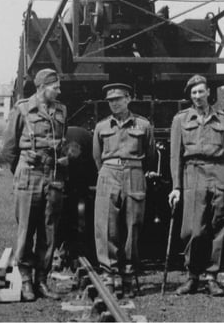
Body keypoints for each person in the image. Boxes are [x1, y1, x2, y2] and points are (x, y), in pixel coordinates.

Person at [168, 74, 224, 297]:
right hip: (193, 174)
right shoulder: (180, 120)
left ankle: (212, 277)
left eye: (201, 91)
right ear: (190, 96)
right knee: (193, 229)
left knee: (220, 226)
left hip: (220, 174)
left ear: (209, 92)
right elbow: (175, 157)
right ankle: (192, 276)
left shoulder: (223, 120)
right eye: (193, 93)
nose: (197, 96)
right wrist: (176, 187)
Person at [1, 68, 67, 302]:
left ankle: (42, 280)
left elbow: (62, 141)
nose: (59, 90)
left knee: (48, 231)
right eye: (55, 87)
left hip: (53, 175)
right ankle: (27, 281)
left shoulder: (61, 110)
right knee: (26, 229)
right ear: (41, 87)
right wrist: (21, 174)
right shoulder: (21, 109)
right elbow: (8, 150)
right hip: (29, 176)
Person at [93, 83, 155, 298]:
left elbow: (150, 154)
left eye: (119, 99)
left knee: (133, 226)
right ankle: (109, 276)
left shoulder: (143, 125)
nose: (115, 103)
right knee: (106, 227)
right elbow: (97, 157)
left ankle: (128, 276)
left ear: (128, 99)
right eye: (111, 100)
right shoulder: (101, 127)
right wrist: (108, 173)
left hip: (134, 173)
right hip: (108, 173)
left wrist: (135, 171)